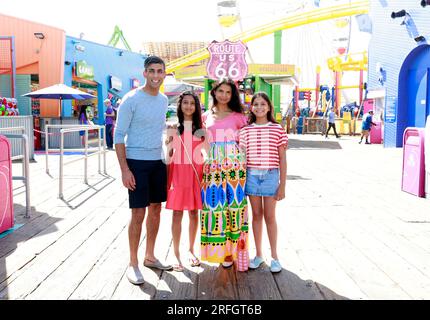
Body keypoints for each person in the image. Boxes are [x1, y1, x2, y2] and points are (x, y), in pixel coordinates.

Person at [114, 56, 172, 286]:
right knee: (138, 213)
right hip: (136, 162)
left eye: (160, 71)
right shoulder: (130, 99)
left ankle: (149, 256)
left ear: (164, 74)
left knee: (156, 209)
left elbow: (156, 128)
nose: (156, 75)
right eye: (152, 71)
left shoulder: (164, 100)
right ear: (145, 73)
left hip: (157, 161)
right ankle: (133, 263)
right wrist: (124, 170)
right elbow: (118, 135)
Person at [200, 78, 249, 267]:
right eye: (221, 91)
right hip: (213, 165)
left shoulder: (238, 116)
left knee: (234, 207)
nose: (224, 95)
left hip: (235, 166)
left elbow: (245, 141)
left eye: (228, 92)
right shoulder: (206, 116)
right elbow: (203, 140)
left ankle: (234, 253)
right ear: (214, 92)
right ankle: (220, 252)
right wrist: (205, 157)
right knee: (215, 207)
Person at [239, 92, 287, 273]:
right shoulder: (245, 130)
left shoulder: (277, 129)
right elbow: (242, 157)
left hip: (270, 176)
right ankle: (259, 255)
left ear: (269, 107)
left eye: (263, 104)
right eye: (256, 104)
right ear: (251, 107)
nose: (259, 107)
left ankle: (275, 257)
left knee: (270, 216)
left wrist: (282, 184)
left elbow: (282, 158)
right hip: (251, 175)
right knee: (256, 215)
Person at [165, 91, 204, 272]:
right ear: (180, 106)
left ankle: (190, 249)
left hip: (196, 174)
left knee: (194, 213)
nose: (188, 106)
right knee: (177, 214)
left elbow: (207, 154)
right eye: (185, 103)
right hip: (178, 175)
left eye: (192, 103)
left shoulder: (201, 130)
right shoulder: (173, 127)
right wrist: (167, 180)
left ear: (196, 107)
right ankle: (175, 253)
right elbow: (169, 156)